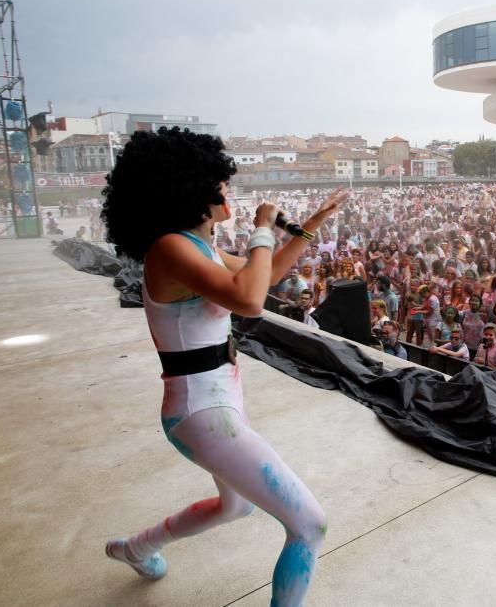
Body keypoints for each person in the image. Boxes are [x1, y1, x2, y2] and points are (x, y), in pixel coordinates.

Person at [100, 128, 346, 606]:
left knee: (234, 507)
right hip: (201, 412)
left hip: (219, 402)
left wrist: (309, 225)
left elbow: (266, 275)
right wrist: (260, 227)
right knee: (309, 525)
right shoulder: (170, 249)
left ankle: (135, 547)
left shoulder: (198, 249)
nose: (226, 190)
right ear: (190, 188)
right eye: (220, 182)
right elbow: (250, 301)